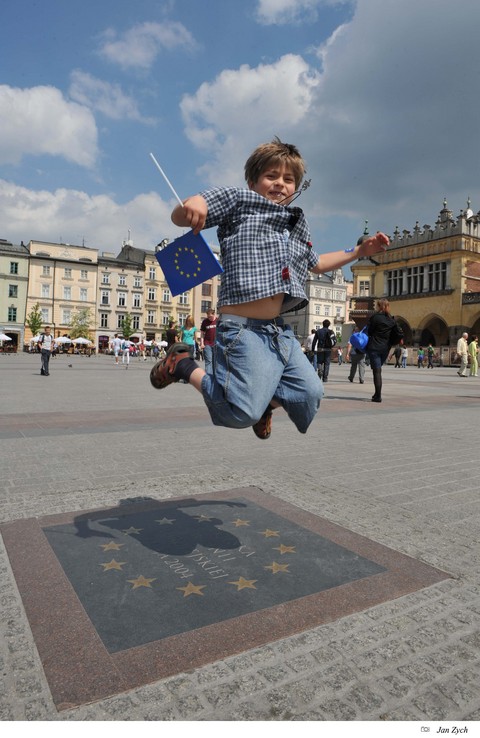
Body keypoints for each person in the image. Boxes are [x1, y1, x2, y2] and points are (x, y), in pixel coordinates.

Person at [150, 137, 389, 438]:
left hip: (277, 332)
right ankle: (184, 365)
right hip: (241, 330)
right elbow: (188, 211)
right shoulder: (239, 202)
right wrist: (191, 206)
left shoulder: (296, 223)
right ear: (253, 181)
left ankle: (264, 406)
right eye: (271, 176)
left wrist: (358, 252)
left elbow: (315, 262)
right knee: (240, 413)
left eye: (288, 179)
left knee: (309, 394)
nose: (280, 184)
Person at [366, 298, 399, 403]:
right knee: (378, 370)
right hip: (385, 348)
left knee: (377, 371)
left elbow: (369, 331)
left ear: (379, 306)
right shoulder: (391, 319)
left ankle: (378, 396)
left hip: (374, 347)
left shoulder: (375, 317)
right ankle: (376, 394)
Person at [200, 308, 218, 373]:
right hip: (207, 344)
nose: (209, 318)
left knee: (215, 362)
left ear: (214, 314)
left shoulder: (218, 321)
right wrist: (202, 343)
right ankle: (209, 378)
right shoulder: (205, 322)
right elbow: (202, 333)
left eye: (210, 316)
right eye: (208, 317)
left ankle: (214, 377)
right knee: (208, 361)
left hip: (216, 344)